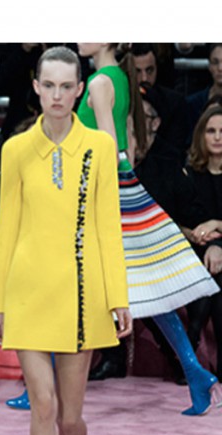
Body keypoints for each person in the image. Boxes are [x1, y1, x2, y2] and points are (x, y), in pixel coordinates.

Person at [0, 46, 132, 435]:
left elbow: (107, 227)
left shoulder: (98, 147)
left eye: (65, 86)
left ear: (79, 90)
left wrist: (118, 296)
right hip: (28, 291)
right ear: (35, 87)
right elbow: (9, 229)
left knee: (71, 420)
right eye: (47, 85)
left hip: (81, 293)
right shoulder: (15, 150)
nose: (56, 95)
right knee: (43, 407)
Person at [78, 43, 221, 415]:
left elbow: (108, 145)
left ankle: (42, 386)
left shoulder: (99, 82)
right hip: (119, 186)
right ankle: (195, 372)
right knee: (145, 285)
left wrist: (94, 194)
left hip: (104, 191)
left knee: (80, 280)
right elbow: (126, 141)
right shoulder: (118, 78)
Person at [184, 106, 222, 381]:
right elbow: (177, 221)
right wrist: (194, 233)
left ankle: (188, 351)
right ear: (201, 135)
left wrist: (216, 225)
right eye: (211, 131)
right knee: (210, 273)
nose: (218, 137)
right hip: (197, 249)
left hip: (216, 250)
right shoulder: (189, 174)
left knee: (214, 276)